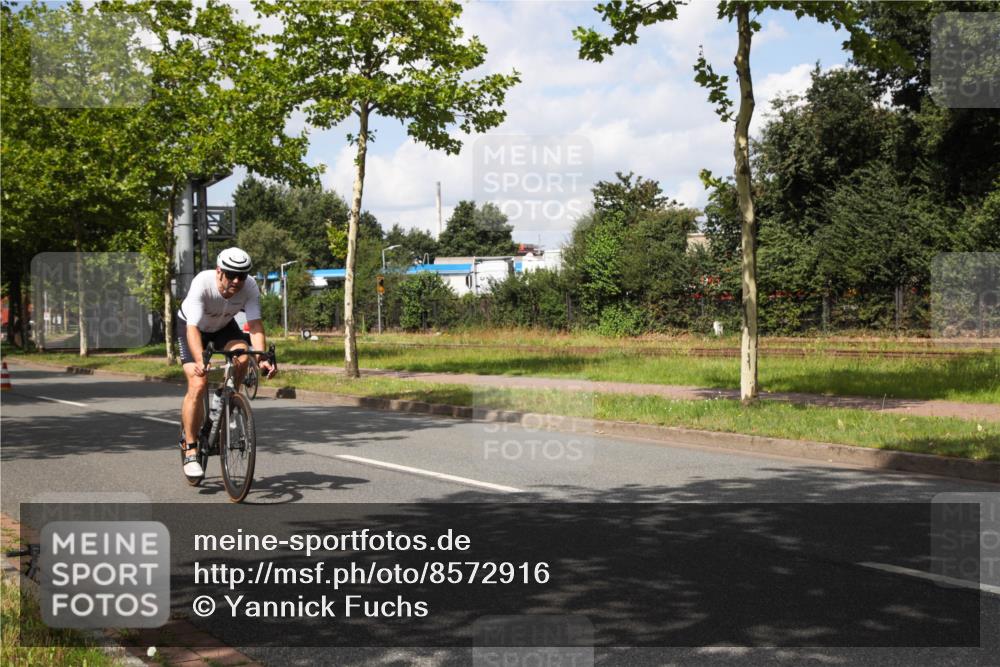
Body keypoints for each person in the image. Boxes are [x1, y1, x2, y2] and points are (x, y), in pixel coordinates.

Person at [177, 247, 275, 479]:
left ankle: (227, 398)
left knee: (243, 356)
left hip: (222, 327)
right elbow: (192, 329)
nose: (237, 281)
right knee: (198, 382)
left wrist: (261, 357)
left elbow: (256, 324)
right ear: (219, 271)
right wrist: (200, 359)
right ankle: (190, 449)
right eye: (231, 275)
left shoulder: (249, 286)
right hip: (193, 329)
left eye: (242, 275)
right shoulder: (203, 282)